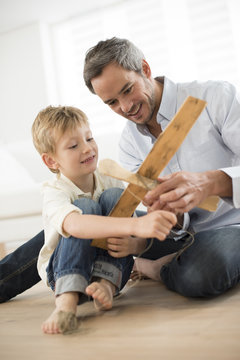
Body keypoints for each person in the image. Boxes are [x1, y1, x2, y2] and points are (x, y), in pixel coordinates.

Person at [1, 36, 240, 303]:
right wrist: (165, 214)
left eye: (127, 90)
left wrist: (212, 181)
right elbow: (169, 225)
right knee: (72, 220)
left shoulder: (214, 97)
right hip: (177, 234)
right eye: (112, 102)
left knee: (200, 275)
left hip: (232, 224)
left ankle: (154, 268)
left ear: (145, 69)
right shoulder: (130, 141)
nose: (126, 108)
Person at [30, 105, 176, 334]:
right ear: (51, 161)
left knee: (116, 197)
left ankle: (106, 284)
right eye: (74, 145)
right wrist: (135, 224)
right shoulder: (54, 190)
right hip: (64, 270)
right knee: (85, 208)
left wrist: (135, 241)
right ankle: (66, 302)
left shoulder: (107, 179)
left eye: (89, 138)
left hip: (108, 269)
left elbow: (125, 232)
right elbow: (75, 225)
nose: (87, 148)